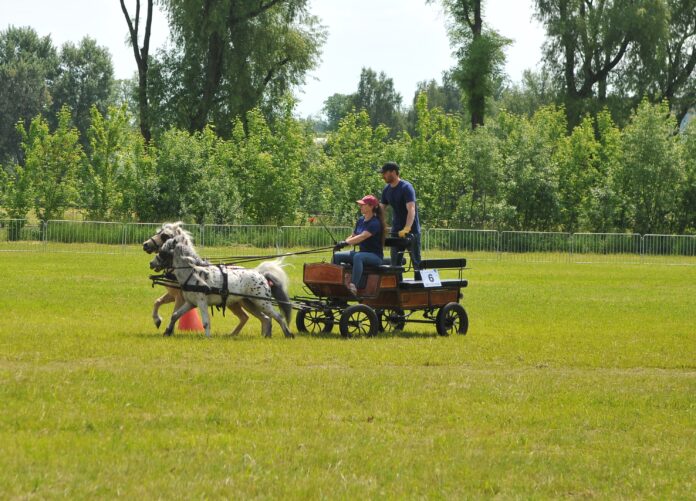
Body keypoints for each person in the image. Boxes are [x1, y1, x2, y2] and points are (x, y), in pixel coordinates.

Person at [332, 195, 385, 295]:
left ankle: (353, 286)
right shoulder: (361, 220)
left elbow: (362, 237)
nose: (360, 207)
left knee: (358, 257)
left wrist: (346, 243)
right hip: (362, 253)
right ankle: (337, 283)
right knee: (336, 256)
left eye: (362, 205)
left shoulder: (375, 223)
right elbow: (354, 235)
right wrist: (343, 243)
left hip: (375, 256)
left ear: (371, 206)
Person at [379, 161, 421, 269]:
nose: (383, 175)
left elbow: (411, 209)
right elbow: (381, 209)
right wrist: (377, 225)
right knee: (395, 264)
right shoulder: (386, 189)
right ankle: (397, 285)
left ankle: (419, 283)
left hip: (412, 231)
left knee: (416, 262)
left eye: (385, 173)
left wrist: (407, 228)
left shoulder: (406, 187)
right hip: (396, 230)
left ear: (393, 172)